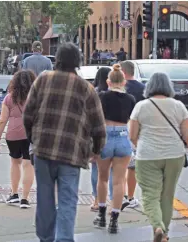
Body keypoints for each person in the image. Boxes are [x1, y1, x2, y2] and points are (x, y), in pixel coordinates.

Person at [23, 42, 106, 241]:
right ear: (77, 61)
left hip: (43, 149)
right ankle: (64, 238)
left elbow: (28, 114)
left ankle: (45, 237)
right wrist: (96, 149)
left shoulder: (43, 80)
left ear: (57, 59)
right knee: (68, 199)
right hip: (72, 152)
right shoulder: (86, 88)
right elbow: (98, 125)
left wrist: (33, 139)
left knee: (45, 198)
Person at [129, 72, 188, 242]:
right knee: (167, 196)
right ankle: (165, 233)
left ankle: (157, 227)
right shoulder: (179, 106)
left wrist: (143, 144)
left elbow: (132, 135)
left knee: (150, 195)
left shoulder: (141, 106)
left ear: (149, 87)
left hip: (147, 156)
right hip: (174, 155)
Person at [93, 64, 136, 234]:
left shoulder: (102, 96)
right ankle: (114, 220)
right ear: (124, 81)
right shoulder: (131, 99)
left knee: (102, 178)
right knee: (119, 181)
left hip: (106, 136)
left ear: (108, 81)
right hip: (123, 136)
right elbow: (132, 120)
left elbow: (96, 118)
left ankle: (102, 215)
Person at [0, 70, 36, 208]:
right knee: (28, 164)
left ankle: (14, 194)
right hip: (31, 134)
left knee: (15, 163)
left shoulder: (9, 98)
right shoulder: (37, 98)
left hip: (13, 134)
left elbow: (2, 120)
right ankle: (25, 198)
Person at [120, 61, 146, 210]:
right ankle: (130, 197)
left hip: (118, 126)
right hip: (136, 129)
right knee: (132, 166)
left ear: (122, 72)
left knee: (118, 165)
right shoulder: (142, 89)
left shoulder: (117, 88)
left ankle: (119, 194)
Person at [91, 66, 113, 212]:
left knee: (95, 167)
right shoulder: (114, 93)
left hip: (96, 132)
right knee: (112, 170)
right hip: (113, 132)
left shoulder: (94, 94)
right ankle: (111, 200)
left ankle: (97, 200)